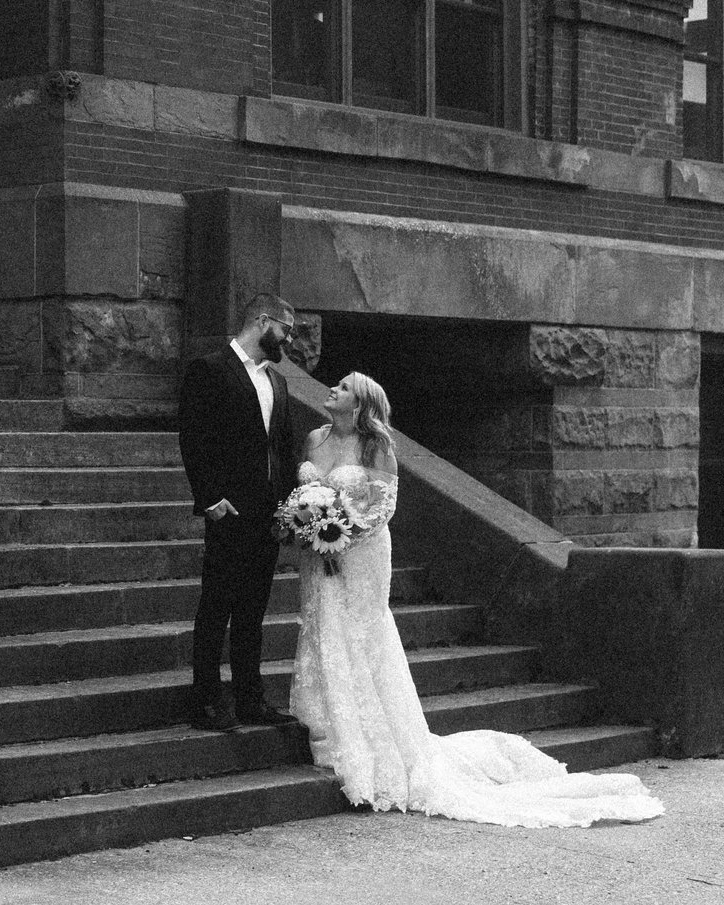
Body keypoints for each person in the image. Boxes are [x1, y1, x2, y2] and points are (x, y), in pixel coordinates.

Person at [289, 372, 666, 826]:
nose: (333, 389)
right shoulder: (314, 437)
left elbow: (384, 505)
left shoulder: (376, 446)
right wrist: (307, 526)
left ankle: (369, 737)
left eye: (344, 387)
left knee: (362, 629)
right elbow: (304, 493)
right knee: (324, 626)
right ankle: (325, 725)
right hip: (318, 554)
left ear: (361, 403)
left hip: (362, 552)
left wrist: (342, 531)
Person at [176, 293, 304, 732]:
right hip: (228, 511)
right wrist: (209, 499)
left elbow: (282, 450)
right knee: (216, 607)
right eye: (286, 329)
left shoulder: (278, 382)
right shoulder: (209, 369)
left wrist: (288, 508)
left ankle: (251, 699)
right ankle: (207, 701)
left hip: (267, 514)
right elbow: (194, 438)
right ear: (262, 321)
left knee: (253, 611)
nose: (289, 339)